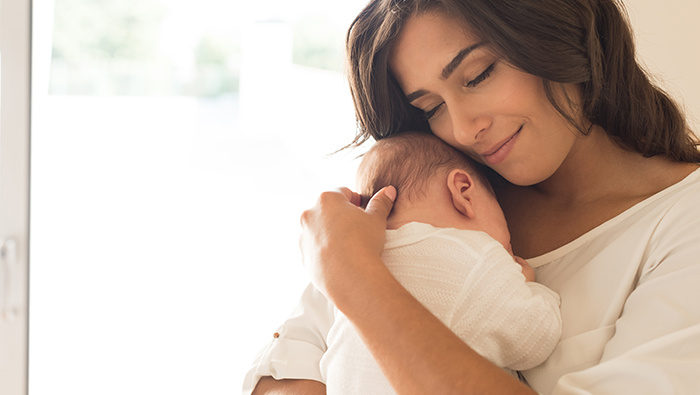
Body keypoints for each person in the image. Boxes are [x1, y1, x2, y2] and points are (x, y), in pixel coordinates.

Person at [249, 0, 700, 393]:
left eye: (478, 75)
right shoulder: (437, 202)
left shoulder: (682, 221)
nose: (464, 130)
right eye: (432, 108)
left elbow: (340, 295)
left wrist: (359, 282)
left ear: (559, 34)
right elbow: (283, 370)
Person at [319, 132, 561, 393]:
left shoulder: (358, 265)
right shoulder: (473, 256)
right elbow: (535, 339)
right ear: (464, 192)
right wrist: (528, 285)